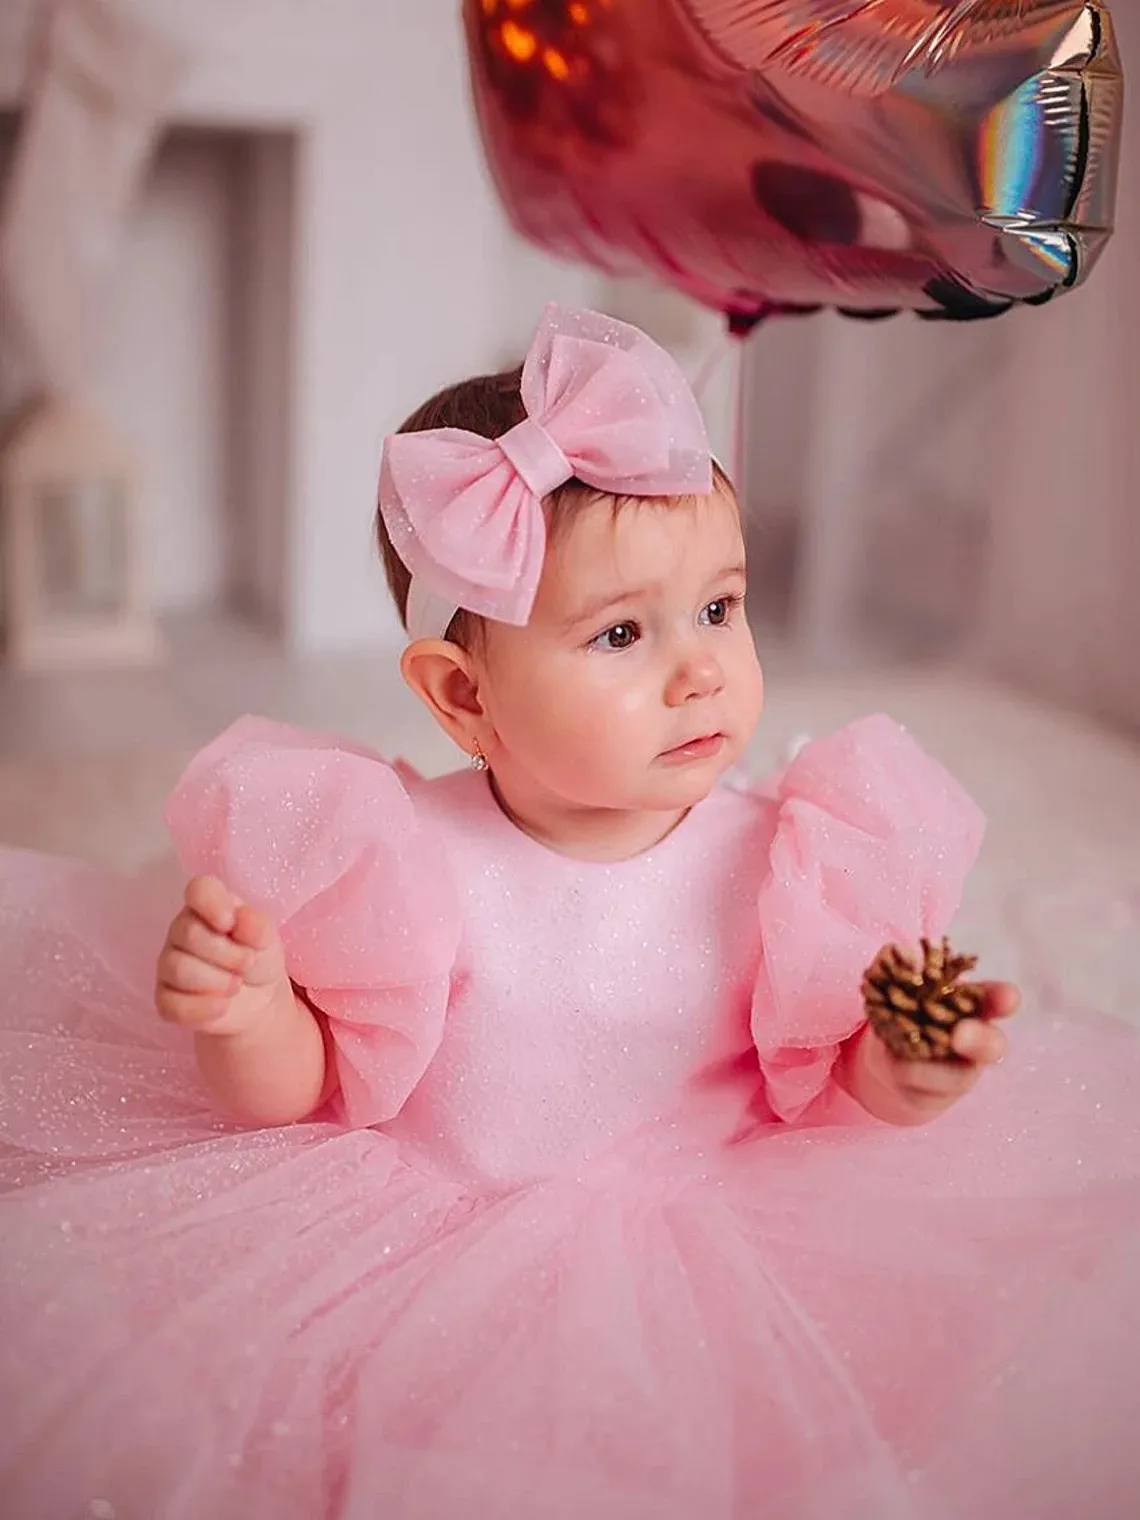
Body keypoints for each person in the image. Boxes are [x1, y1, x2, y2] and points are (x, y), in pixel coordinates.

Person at [1, 305, 1137, 1520]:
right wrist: (250, 1011)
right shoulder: (393, 854)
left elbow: (829, 1074)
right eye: (621, 632)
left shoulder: (791, 855)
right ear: (463, 696)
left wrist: (906, 1065)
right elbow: (307, 1091)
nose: (702, 667)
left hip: (721, 1263)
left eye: (719, 607)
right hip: (420, 1258)